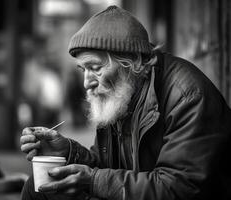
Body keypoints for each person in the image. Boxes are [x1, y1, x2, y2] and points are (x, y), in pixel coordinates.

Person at [20, 5, 231, 200]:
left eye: (95, 68)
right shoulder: (123, 92)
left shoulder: (187, 96)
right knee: (38, 188)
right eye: (83, 70)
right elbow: (106, 167)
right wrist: (68, 152)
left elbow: (179, 188)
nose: (86, 83)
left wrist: (92, 180)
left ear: (133, 63)